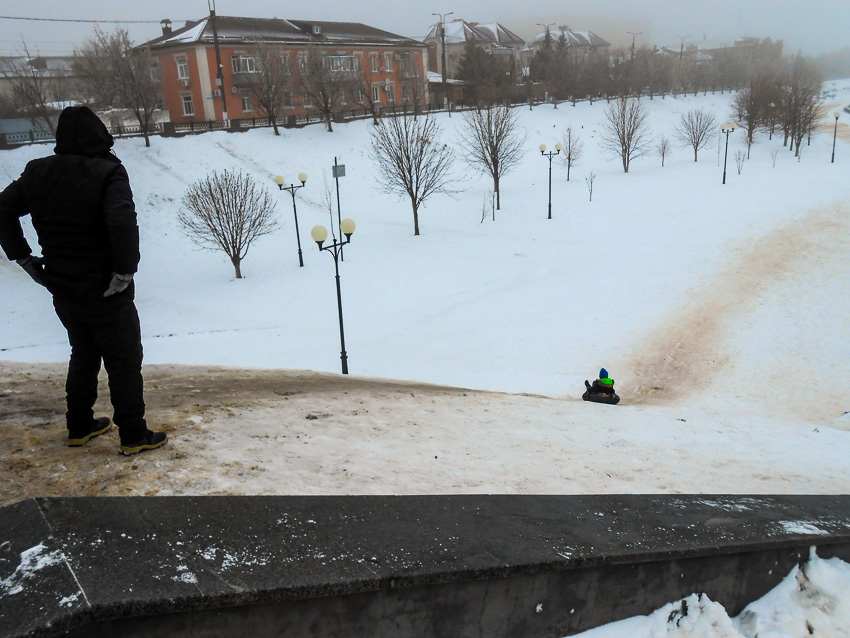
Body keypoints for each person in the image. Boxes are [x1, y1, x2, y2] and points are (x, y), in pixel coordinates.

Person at [0, 106, 166, 455]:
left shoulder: (37, 172)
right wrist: (125, 271)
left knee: (83, 353)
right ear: (98, 134)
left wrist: (25, 259)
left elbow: (2, 209)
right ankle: (133, 435)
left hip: (63, 287)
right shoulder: (108, 171)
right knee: (122, 361)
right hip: (106, 288)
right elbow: (121, 222)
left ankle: (79, 426)